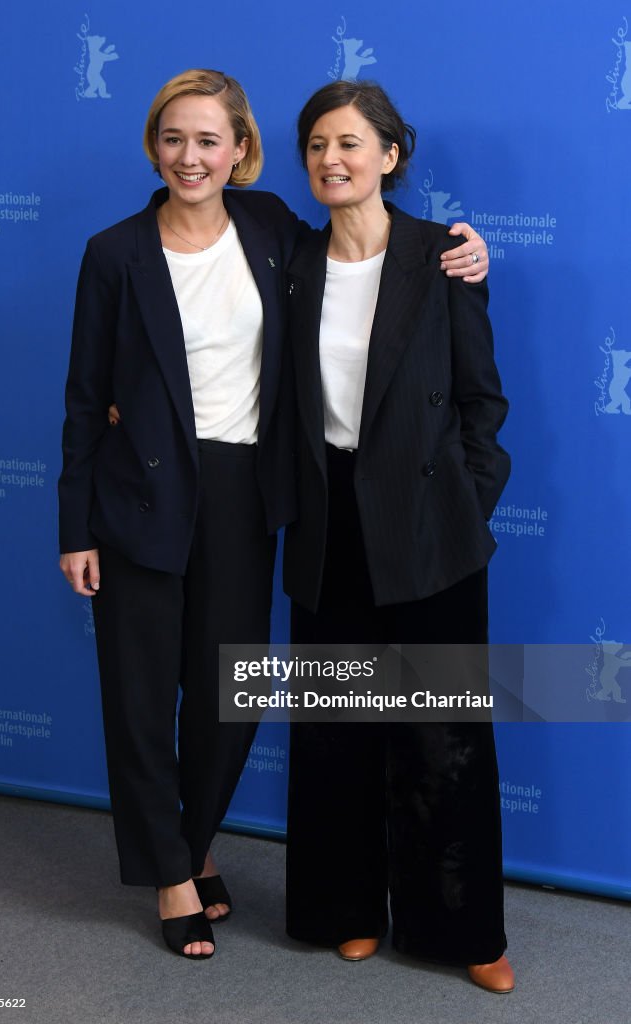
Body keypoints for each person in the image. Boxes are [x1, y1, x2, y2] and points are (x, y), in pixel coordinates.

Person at [59, 69, 489, 962]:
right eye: (174, 139)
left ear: (240, 152)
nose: (190, 156)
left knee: (237, 696)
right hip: (160, 498)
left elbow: (451, 361)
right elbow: (83, 399)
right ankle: (179, 875)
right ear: (154, 146)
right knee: (152, 700)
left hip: (259, 497)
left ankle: (201, 840)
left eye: (209, 140)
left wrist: (467, 251)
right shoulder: (121, 253)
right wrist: (75, 525)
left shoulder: (278, 236)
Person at [282, 80, 513, 994]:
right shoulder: (288, 262)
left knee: (445, 734)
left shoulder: (444, 256)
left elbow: (480, 401)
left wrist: (464, 501)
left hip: (430, 523)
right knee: (335, 723)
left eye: (348, 143)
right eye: (314, 147)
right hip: (327, 519)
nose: (330, 160)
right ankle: (345, 908)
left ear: (389, 155)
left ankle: (466, 931)